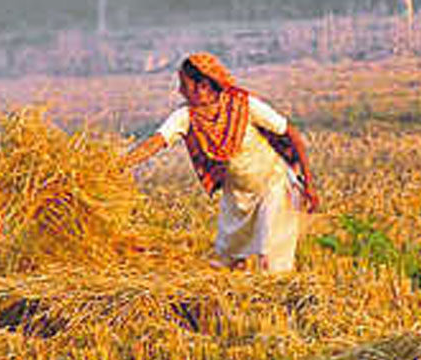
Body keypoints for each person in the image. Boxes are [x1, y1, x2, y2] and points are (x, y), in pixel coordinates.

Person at [122, 53, 320, 272]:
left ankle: (277, 303)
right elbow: (155, 142)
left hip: (272, 186)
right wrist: (120, 165)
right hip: (236, 197)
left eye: (184, 85)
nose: (180, 91)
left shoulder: (244, 106)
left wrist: (308, 184)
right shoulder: (186, 116)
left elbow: (291, 134)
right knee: (226, 264)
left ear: (203, 86)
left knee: (271, 261)